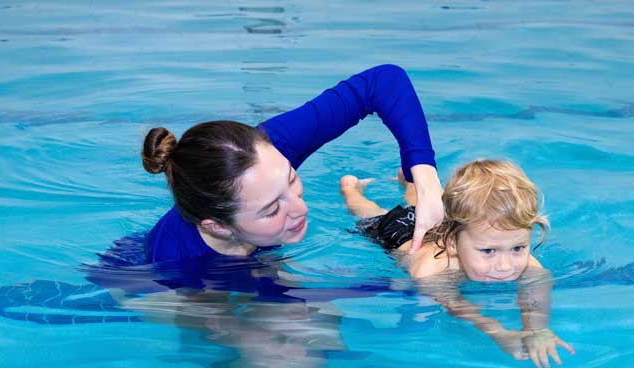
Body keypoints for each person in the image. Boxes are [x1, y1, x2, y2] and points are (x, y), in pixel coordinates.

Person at [141, 64, 443, 264]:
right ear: (218, 227)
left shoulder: (267, 153)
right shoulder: (176, 261)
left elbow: (383, 81)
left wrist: (427, 183)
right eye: (272, 209)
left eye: (291, 179)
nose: (301, 208)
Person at [340, 159, 576, 368]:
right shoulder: (432, 271)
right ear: (452, 243)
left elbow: (537, 286)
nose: (505, 266)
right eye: (488, 251)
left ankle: (410, 181)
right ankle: (352, 190)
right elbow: (455, 304)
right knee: (370, 213)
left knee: (425, 203)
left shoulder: (511, 251)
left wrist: (536, 330)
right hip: (400, 232)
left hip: (446, 222)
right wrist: (499, 333)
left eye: (517, 248)